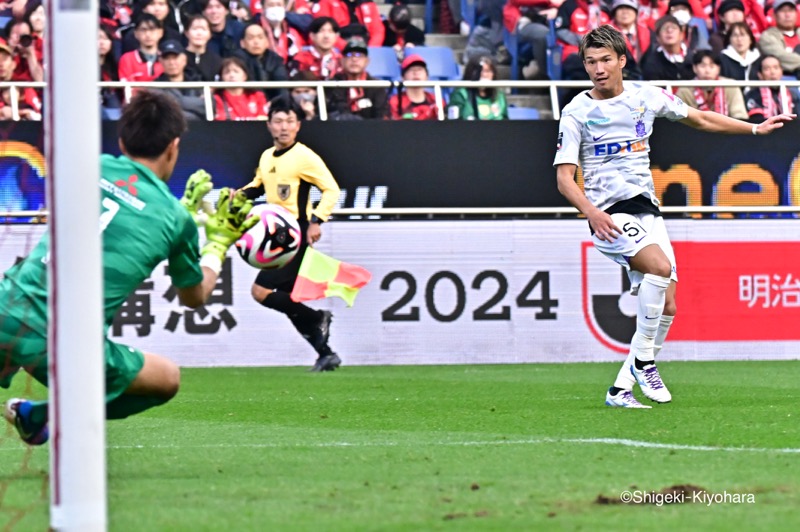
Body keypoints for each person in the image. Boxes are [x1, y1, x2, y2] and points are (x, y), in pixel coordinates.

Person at [553, 25, 794, 408]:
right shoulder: (577, 111)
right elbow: (565, 178)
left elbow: (699, 118)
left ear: (621, 60)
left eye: (604, 60)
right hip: (609, 214)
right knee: (659, 268)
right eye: (590, 61)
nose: (597, 68)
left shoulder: (646, 97)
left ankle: (620, 389)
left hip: (646, 209)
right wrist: (592, 212)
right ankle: (645, 362)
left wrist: (754, 128)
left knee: (668, 305)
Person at [1, 90, 258, 445]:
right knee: (166, 379)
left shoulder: (91, 167)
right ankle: (38, 414)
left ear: (122, 141)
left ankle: (34, 416)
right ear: (174, 146)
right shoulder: (175, 219)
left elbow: (119, 212)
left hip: (7, 306)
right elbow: (194, 298)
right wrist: (218, 243)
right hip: (65, 342)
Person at [239, 98, 342, 372]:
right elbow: (259, 186)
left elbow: (332, 189)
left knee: (260, 292)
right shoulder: (267, 156)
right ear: (269, 125)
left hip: (294, 236)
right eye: (278, 121)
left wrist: (317, 220)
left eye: (289, 121)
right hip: (275, 235)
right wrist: (240, 194)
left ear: (297, 125)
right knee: (290, 302)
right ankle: (326, 353)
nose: (283, 127)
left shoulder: (305, 157)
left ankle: (318, 316)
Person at [327, 37, 388, 120]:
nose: (354, 59)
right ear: (342, 61)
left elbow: (381, 115)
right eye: (349, 55)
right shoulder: (332, 84)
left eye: (359, 55)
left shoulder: (376, 86)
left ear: (367, 61)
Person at [676, 49, 748, 119]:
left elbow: (739, 115)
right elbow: (678, 116)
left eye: (711, 66)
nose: (707, 71)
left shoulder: (731, 85)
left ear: (718, 69)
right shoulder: (685, 89)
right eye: (703, 66)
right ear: (694, 68)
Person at [233, 21, 290, 100]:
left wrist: (280, 107)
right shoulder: (235, 61)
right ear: (242, 43)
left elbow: (282, 87)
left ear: (267, 42)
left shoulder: (275, 60)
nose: (256, 42)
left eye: (260, 37)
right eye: (250, 38)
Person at [154, 40, 207, 120]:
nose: (171, 62)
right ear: (161, 61)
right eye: (167, 58)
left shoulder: (198, 84)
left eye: (175, 57)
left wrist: (177, 101)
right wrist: (193, 105)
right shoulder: (154, 86)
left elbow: (209, 107)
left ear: (184, 60)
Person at [447, 55, 509, 120]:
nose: (484, 75)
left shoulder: (499, 95)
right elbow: (454, 123)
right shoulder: (461, 94)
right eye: (481, 71)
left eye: (488, 71)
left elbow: (506, 123)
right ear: (471, 72)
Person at [744, 55, 800, 121]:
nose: (772, 72)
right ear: (760, 74)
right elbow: (756, 121)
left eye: (776, 68)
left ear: (781, 71)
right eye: (767, 69)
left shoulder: (792, 94)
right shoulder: (753, 94)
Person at [388, 54, 442, 120]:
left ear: (427, 76)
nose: (416, 73)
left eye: (420, 69)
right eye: (411, 69)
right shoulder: (395, 102)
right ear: (403, 77)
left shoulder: (437, 100)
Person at [640, 14, 694, 81]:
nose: (669, 31)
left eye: (673, 28)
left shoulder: (693, 58)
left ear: (681, 35)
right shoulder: (651, 62)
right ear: (658, 37)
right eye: (664, 28)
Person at [0, 38, 41, 120]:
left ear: (13, 64)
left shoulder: (25, 88)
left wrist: (19, 113)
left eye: (4, 59)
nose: (1, 64)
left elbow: (38, 117)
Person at [758, 0, 800, 78]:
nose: (787, 15)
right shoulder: (767, 36)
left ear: (796, 14)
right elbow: (780, 58)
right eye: (783, 11)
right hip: (783, 80)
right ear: (774, 15)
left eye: (791, 11)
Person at [118, 14, 165, 82]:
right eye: (143, 30)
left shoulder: (167, 58)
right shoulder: (127, 59)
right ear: (136, 34)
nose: (148, 34)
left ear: (161, 32)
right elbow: (128, 88)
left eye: (152, 29)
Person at [184, 14, 223, 81]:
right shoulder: (179, 57)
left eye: (203, 29)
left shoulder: (216, 61)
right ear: (187, 33)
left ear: (210, 34)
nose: (199, 33)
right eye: (195, 29)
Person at [719, 21, 760, 85]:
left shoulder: (759, 59)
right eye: (735, 36)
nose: (739, 39)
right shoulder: (721, 59)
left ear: (750, 40)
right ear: (729, 40)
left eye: (743, 35)